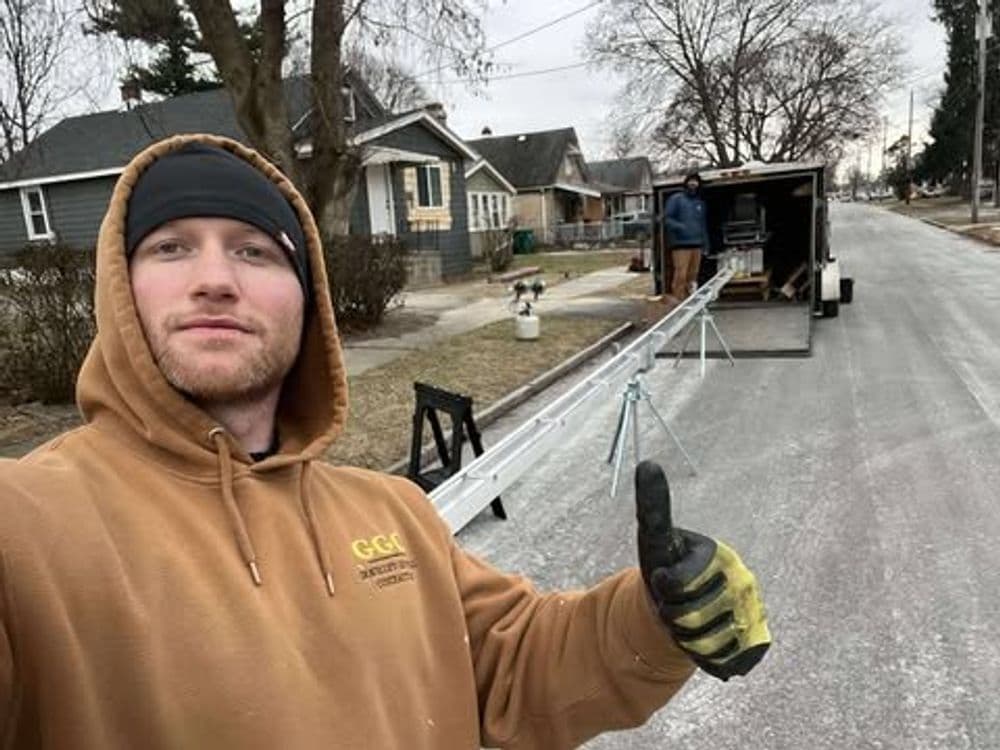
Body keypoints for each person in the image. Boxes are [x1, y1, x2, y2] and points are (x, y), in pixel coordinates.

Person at [0, 135, 770, 749]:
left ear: (308, 300)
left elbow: (513, 665)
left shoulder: (391, 515)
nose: (214, 279)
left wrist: (652, 621)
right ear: (120, 289)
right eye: (171, 248)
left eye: (253, 250)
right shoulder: (31, 527)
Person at [664, 172, 710, 301]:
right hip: (680, 245)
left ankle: (691, 301)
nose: (693, 184)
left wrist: (706, 244)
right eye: (691, 181)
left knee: (693, 276)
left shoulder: (700, 203)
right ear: (686, 183)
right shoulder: (676, 199)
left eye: (696, 182)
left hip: (697, 245)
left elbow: (703, 225)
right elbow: (667, 219)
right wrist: (680, 227)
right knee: (681, 275)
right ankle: (678, 302)